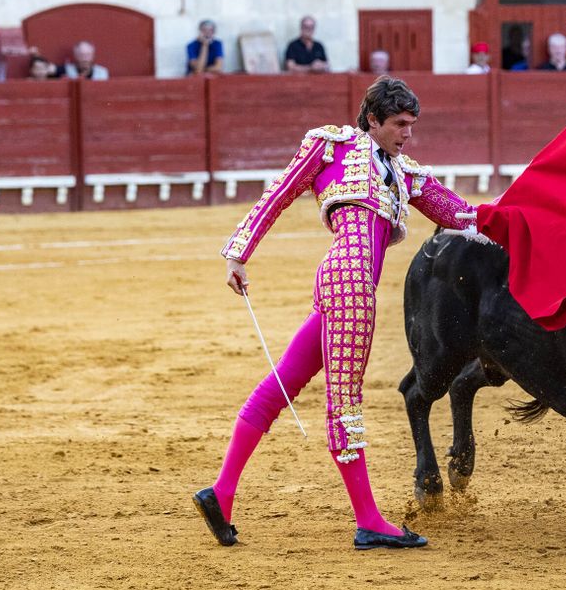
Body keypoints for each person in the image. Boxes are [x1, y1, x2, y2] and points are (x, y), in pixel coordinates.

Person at [197, 78, 479, 551]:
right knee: (344, 403)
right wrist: (238, 253)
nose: (408, 133)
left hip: (343, 284)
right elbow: (279, 194)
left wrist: (520, 214)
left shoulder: (404, 172)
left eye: (412, 125)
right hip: (349, 283)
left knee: (281, 383)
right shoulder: (332, 145)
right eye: (399, 124)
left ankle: (221, 494)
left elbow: (462, 216)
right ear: (372, 119)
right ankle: (368, 520)